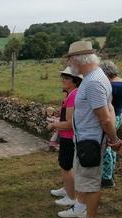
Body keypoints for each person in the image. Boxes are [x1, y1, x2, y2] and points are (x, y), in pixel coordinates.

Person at [58, 41, 122, 218]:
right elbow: (108, 108)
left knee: (91, 183)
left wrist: (114, 139)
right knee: (83, 177)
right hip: (86, 138)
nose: (69, 63)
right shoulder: (91, 77)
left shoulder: (93, 82)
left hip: (91, 141)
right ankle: (79, 207)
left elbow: (104, 116)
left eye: (70, 59)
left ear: (78, 59)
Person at [49, 67, 82, 207]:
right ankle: (67, 189)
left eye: (66, 78)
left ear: (75, 81)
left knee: (66, 166)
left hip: (69, 136)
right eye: (63, 77)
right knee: (66, 165)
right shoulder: (71, 94)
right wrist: (57, 116)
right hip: (68, 136)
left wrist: (54, 125)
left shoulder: (73, 95)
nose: (63, 80)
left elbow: (69, 124)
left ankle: (71, 197)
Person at [99, 60, 122, 188]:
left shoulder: (111, 86)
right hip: (119, 115)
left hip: (111, 117)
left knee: (106, 146)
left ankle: (106, 179)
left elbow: (107, 105)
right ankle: (111, 173)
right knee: (113, 146)